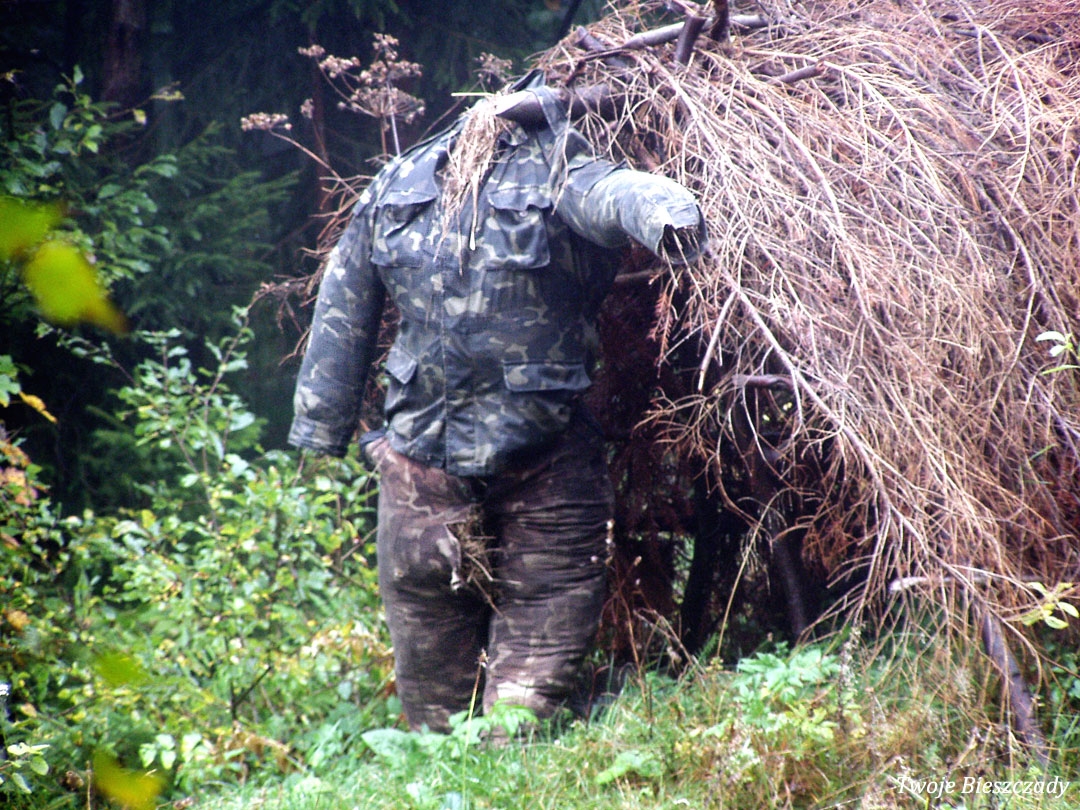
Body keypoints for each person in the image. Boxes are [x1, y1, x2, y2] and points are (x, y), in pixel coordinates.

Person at [288, 72, 707, 733]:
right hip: (429, 470)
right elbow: (346, 301)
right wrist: (321, 424)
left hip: (533, 463)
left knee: (509, 697)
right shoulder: (409, 185)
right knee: (449, 699)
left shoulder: (536, 173)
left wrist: (667, 217)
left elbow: (616, 196)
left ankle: (498, 757)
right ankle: (459, 763)